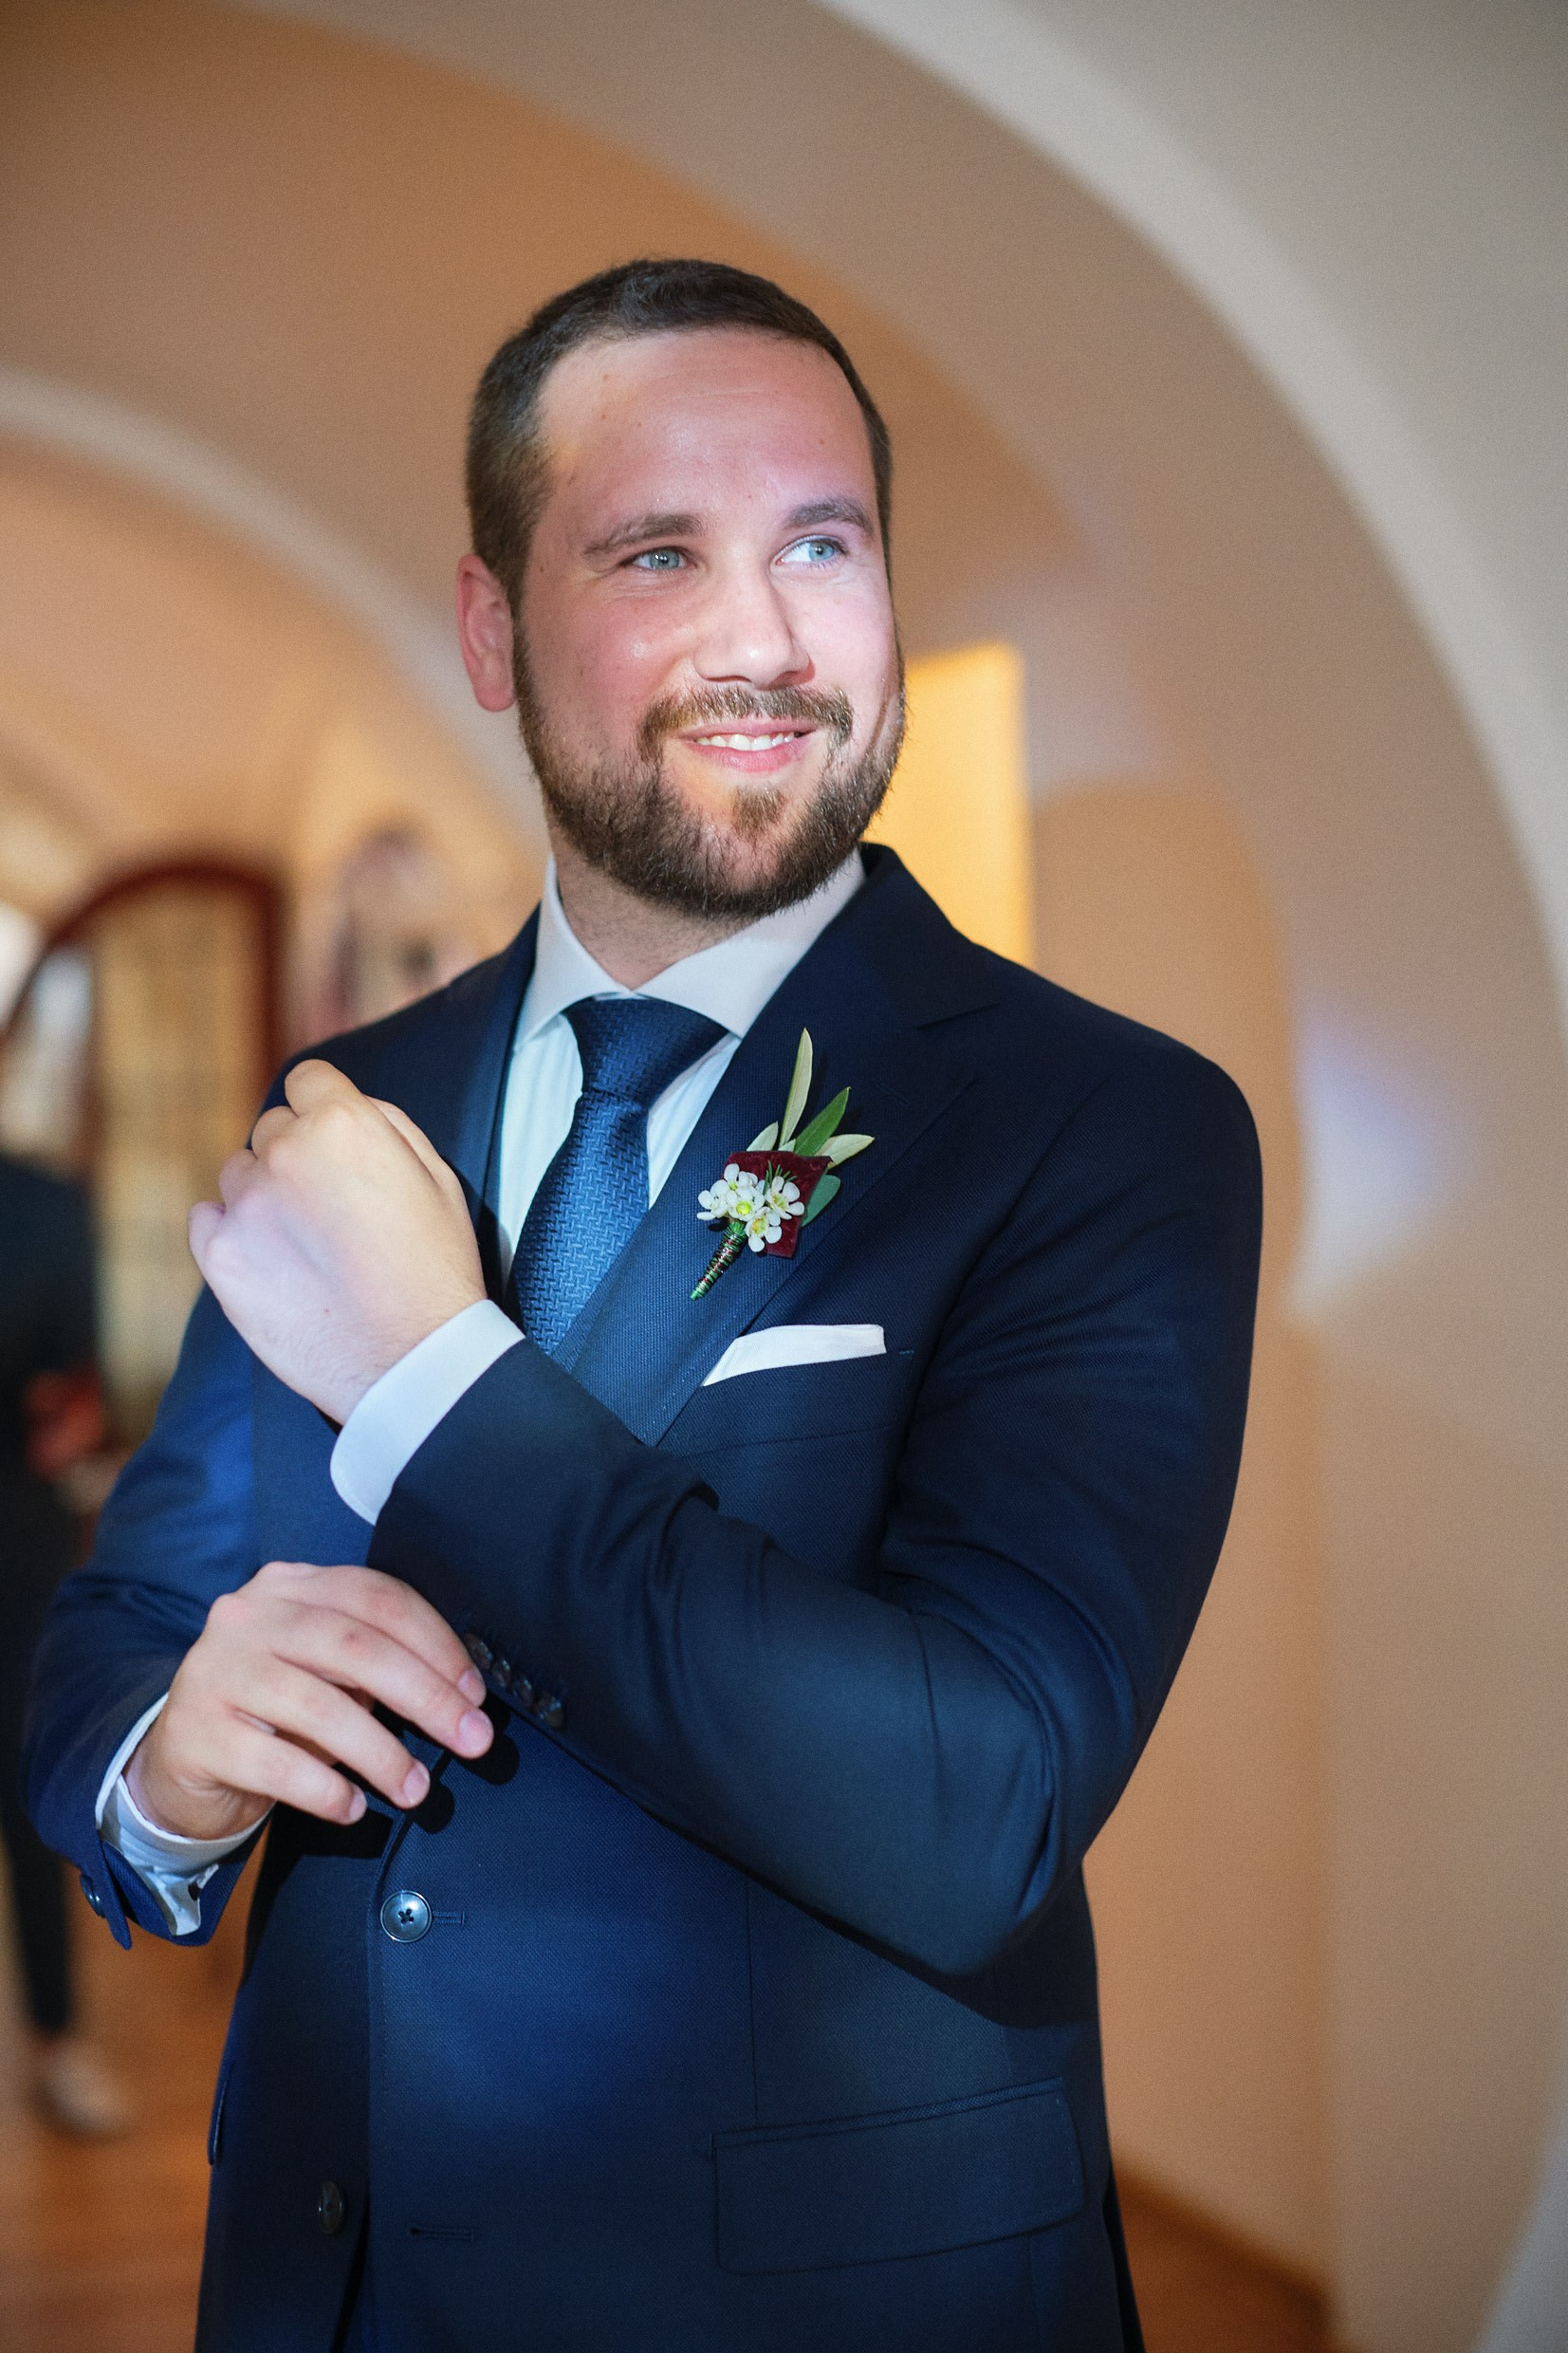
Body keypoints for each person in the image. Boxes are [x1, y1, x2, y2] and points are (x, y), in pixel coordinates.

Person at [26, 260, 1262, 2350]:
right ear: (492, 628)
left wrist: (433, 1380)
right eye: (658, 553)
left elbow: (981, 1804)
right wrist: (171, 1762)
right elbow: (119, 1632)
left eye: (822, 545)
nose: (762, 636)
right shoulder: (347, 1109)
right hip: (333, 2281)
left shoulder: (1099, 1126)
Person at [0, 1150, 127, 2135]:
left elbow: (78, 1395)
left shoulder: (45, 1205)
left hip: (17, 1528)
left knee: (26, 1772)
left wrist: (72, 1423)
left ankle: (58, 2035)